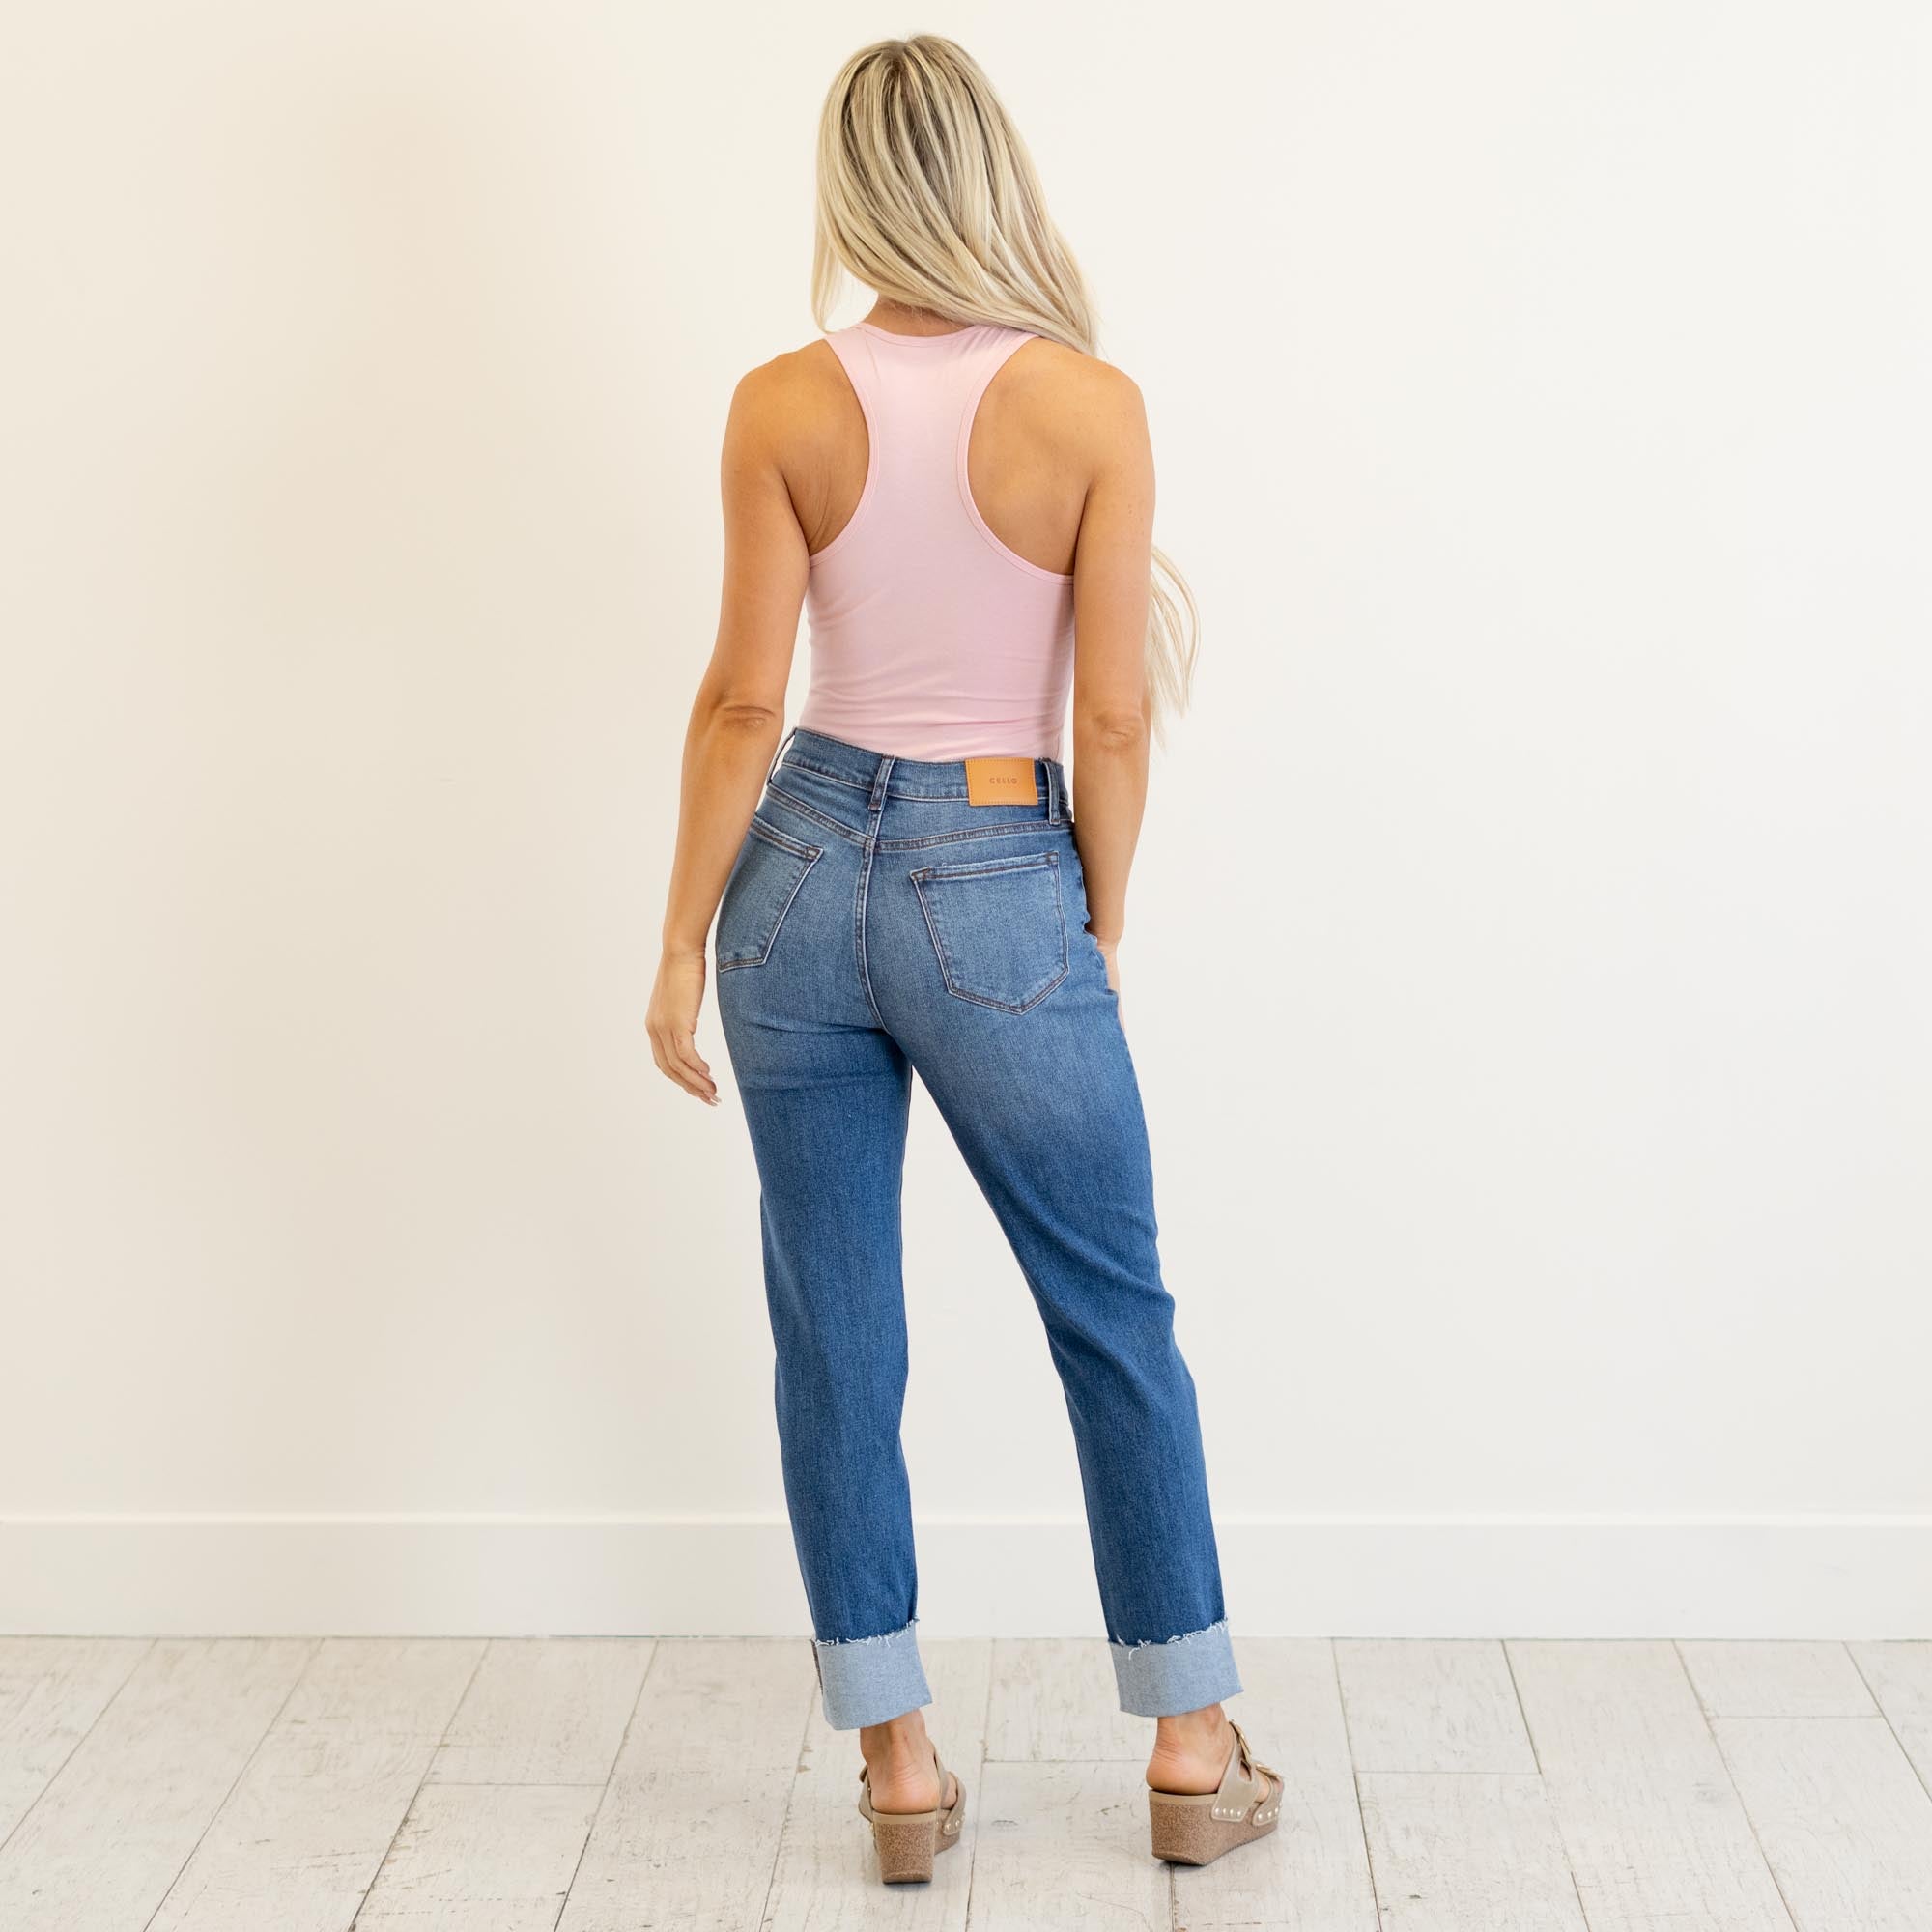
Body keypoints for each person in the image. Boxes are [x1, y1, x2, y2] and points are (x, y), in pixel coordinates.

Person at [646, 34, 1280, 1883]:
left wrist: (678, 940)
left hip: (793, 875)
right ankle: (1190, 1744)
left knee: (835, 1337)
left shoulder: (780, 402)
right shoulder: (1088, 406)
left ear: (852, 187)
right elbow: (1115, 717)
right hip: (999, 866)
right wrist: (1093, 919)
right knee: (1113, 1312)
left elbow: (744, 701)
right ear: (991, 168)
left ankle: (900, 1772)